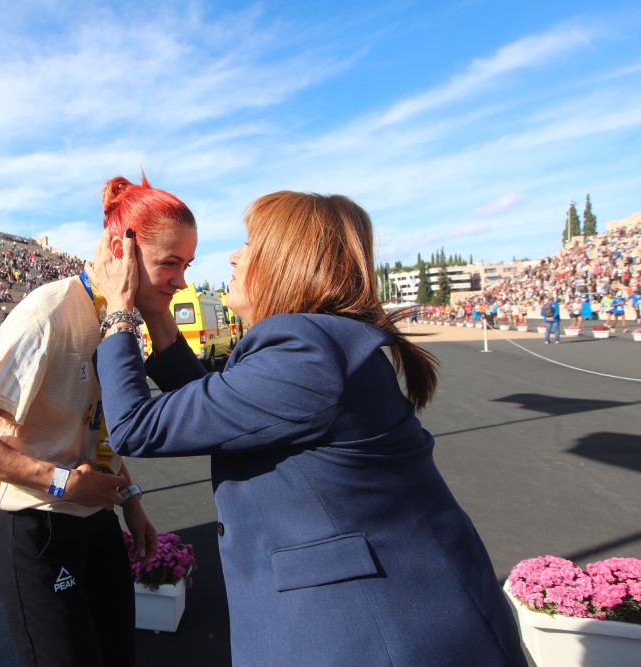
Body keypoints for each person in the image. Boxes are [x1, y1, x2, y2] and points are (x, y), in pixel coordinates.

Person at [88, 191, 526, 666]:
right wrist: (157, 315)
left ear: (287, 260)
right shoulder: (319, 341)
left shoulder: (305, 352)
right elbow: (226, 405)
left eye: (250, 242)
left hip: (376, 635)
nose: (234, 255)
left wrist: (120, 311)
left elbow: (135, 426)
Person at [0, 174, 178, 667]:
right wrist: (62, 484)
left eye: (186, 264)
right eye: (170, 264)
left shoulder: (118, 319)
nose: (182, 281)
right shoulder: (48, 313)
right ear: (121, 251)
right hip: (34, 526)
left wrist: (130, 500)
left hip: (96, 517)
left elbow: (97, 427)